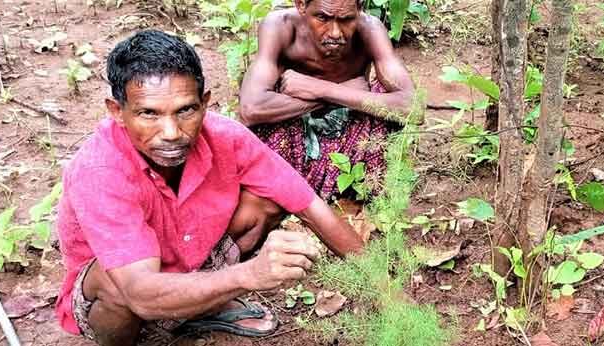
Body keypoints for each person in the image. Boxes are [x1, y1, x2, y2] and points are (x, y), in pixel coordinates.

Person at [54, 30, 365, 346]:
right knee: (114, 284)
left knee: (266, 201)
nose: (172, 133)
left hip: (189, 260)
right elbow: (139, 292)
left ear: (204, 103)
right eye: (149, 113)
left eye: (185, 110)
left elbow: (308, 204)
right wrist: (249, 275)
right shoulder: (100, 169)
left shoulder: (224, 136)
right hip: (129, 293)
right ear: (117, 111)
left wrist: (383, 289)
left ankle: (202, 305)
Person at [239, 0, 417, 198]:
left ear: (359, 9)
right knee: (263, 118)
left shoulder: (370, 29)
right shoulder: (280, 26)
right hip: (295, 138)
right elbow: (251, 109)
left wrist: (322, 90)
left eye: (346, 19)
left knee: (385, 96)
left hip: (351, 140)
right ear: (301, 5)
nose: (335, 33)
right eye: (322, 17)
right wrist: (338, 93)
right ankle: (292, 192)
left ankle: (358, 191)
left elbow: (412, 108)